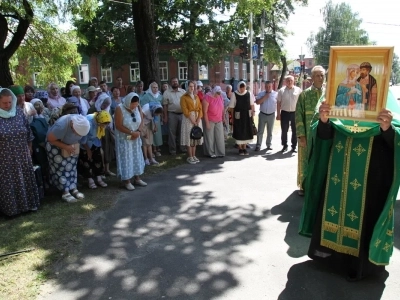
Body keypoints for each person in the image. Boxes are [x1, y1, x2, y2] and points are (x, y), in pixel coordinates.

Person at [299, 91, 400, 281]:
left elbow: (396, 137)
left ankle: (360, 265)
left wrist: (387, 128)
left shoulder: (385, 96)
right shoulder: (336, 93)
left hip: (370, 173)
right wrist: (324, 120)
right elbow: (320, 134)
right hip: (336, 168)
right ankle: (329, 258)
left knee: (363, 212)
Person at [0, 88, 40, 216]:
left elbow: (28, 131)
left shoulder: (18, 112)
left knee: (25, 179)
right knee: (9, 183)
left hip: (23, 153)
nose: (7, 105)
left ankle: (29, 205)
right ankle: (13, 210)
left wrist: (29, 147)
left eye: (9, 102)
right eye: (4, 103)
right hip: (5, 157)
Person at [295, 66, 326, 196]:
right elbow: (298, 115)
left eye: (322, 75)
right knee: (306, 159)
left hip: (324, 133)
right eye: (317, 75)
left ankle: (320, 186)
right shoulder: (304, 94)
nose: (320, 78)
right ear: (312, 78)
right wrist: (301, 135)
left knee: (322, 158)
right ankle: (304, 185)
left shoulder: (329, 94)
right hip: (307, 134)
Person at [46, 114, 90, 203]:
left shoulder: (84, 123)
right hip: (56, 146)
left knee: (72, 167)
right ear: (73, 127)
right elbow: (50, 139)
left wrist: (70, 147)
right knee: (61, 168)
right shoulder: (62, 126)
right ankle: (65, 191)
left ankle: (73, 188)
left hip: (71, 146)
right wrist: (65, 147)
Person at [114, 92, 147, 191]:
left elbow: (141, 120)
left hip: (135, 136)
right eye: (133, 104)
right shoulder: (119, 108)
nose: (135, 106)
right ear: (128, 102)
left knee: (136, 156)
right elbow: (118, 125)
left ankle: (137, 178)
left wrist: (138, 131)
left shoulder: (137, 107)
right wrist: (131, 133)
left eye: (136, 104)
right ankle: (127, 181)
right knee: (126, 157)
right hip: (125, 138)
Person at [79, 111, 112, 189]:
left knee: (98, 160)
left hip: (95, 141)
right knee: (87, 161)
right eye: (104, 124)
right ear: (99, 121)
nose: (106, 126)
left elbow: (99, 134)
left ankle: (99, 179)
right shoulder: (88, 124)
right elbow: (83, 140)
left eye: (107, 124)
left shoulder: (101, 120)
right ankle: (90, 181)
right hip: (85, 143)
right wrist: (88, 150)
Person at [276, 75, 302, 152]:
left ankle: (293, 146)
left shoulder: (298, 90)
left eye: (291, 80)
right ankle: (284, 145)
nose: (289, 82)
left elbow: (301, 102)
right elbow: (278, 103)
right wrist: (278, 114)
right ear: (285, 81)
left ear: (293, 81)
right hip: (284, 113)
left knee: (295, 130)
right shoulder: (281, 91)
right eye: (288, 80)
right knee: (284, 130)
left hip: (295, 113)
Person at [228, 81, 254, 155]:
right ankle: (240, 148)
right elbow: (232, 107)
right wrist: (232, 118)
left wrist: (252, 114)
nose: (242, 89)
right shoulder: (235, 94)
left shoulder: (248, 94)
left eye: (244, 88)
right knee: (239, 131)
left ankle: (244, 147)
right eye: (241, 88)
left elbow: (252, 105)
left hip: (247, 115)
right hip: (238, 116)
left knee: (246, 130)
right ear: (239, 87)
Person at [180, 80, 203, 164]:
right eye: (190, 86)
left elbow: (200, 108)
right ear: (187, 87)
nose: (192, 88)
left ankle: (194, 155)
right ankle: (189, 156)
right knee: (189, 137)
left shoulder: (196, 97)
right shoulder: (184, 97)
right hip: (188, 119)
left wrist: (198, 118)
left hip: (197, 118)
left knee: (195, 136)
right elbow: (185, 109)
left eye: (193, 86)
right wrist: (192, 119)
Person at [163, 77, 186, 155]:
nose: (175, 83)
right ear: (170, 83)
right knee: (172, 133)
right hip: (172, 114)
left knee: (182, 132)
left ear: (178, 82)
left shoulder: (183, 92)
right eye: (173, 81)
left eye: (176, 81)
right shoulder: (166, 93)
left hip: (182, 114)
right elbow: (165, 106)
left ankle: (182, 148)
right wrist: (165, 117)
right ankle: (172, 150)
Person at [202, 85, 225, 158]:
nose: (219, 94)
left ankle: (220, 152)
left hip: (219, 120)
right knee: (210, 137)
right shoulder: (207, 97)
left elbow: (222, 109)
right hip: (210, 120)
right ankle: (210, 153)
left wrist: (223, 117)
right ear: (214, 92)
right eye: (217, 93)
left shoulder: (220, 97)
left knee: (220, 137)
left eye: (220, 93)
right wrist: (207, 123)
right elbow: (204, 112)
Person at [255, 80, 278, 152]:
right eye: (267, 86)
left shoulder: (276, 94)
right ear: (265, 87)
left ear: (272, 86)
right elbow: (257, 102)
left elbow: (279, 103)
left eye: (269, 86)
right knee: (260, 131)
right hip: (262, 114)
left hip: (271, 115)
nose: (268, 88)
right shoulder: (261, 93)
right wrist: (265, 97)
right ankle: (258, 145)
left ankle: (269, 145)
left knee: (270, 131)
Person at [141, 82, 163, 156]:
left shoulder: (160, 96)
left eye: (156, 87)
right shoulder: (146, 96)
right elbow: (143, 108)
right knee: (149, 133)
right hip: (148, 117)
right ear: (150, 88)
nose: (155, 89)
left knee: (156, 132)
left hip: (157, 116)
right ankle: (151, 151)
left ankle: (156, 149)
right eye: (153, 87)